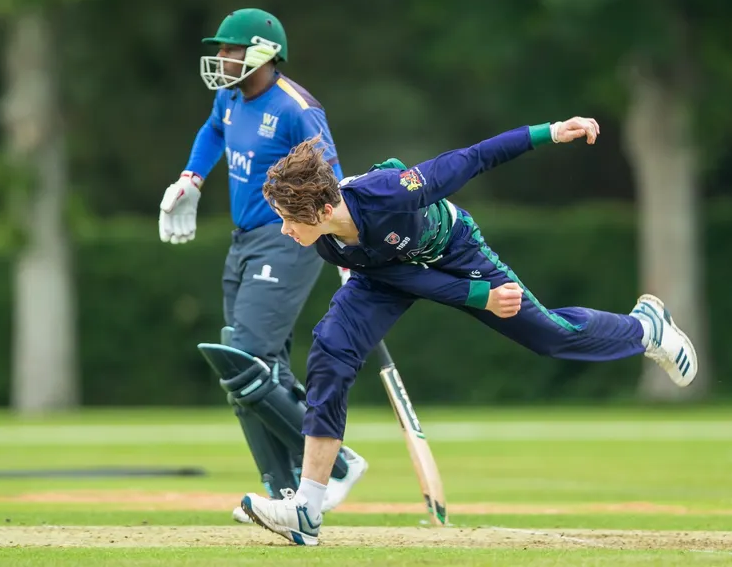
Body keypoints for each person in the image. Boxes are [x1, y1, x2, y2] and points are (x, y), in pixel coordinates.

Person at [239, 116, 698, 545]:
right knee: (331, 351)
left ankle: (646, 329)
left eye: (288, 217)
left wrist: (551, 132)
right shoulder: (329, 244)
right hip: (385, 272)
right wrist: (476, 299)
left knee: (550, 335)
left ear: (319, 210)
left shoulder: (390, 192)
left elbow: (473, 157)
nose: (283, 229)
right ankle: (307, 509)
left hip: (457, 253)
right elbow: (406, 280)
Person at [157, 7, 368, 525]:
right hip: (243, 240)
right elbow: (212, 132)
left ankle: (336, 463)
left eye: (230, 49)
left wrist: (347, 247)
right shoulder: (227, 97)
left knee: (242, 354)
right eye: (221, 50)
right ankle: (285, 490)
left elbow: (331, 181)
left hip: (289, 239)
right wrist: (193, 178)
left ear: (262, 53)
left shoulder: (297, 108)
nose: (222, 58)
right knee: (255, 368)